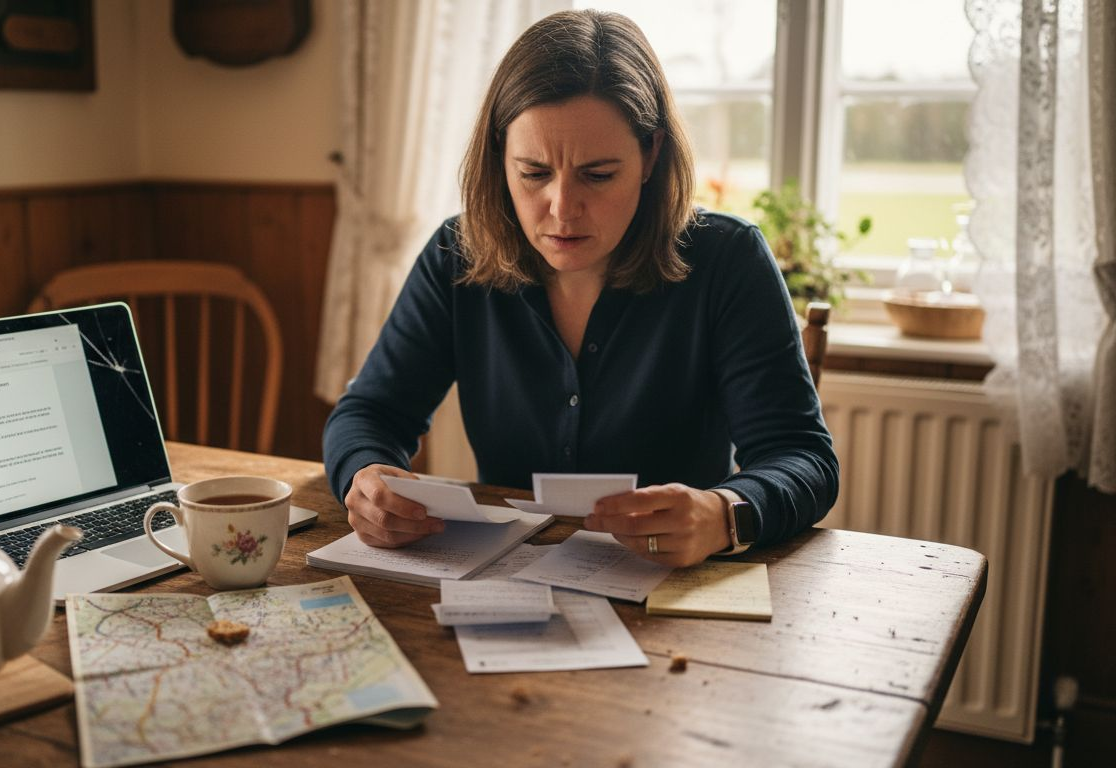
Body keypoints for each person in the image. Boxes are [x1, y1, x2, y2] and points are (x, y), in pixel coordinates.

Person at [322, 9, 838, 568]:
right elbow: (369, 412)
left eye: (597, 175)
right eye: (534, 172)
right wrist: (364, 477)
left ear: (650, 155)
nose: (563, 210)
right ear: (500, 159)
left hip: (674, 595)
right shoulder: (457, 254)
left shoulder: (726, 258)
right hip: (503, 585)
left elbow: (802, 456)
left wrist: (724, 512)